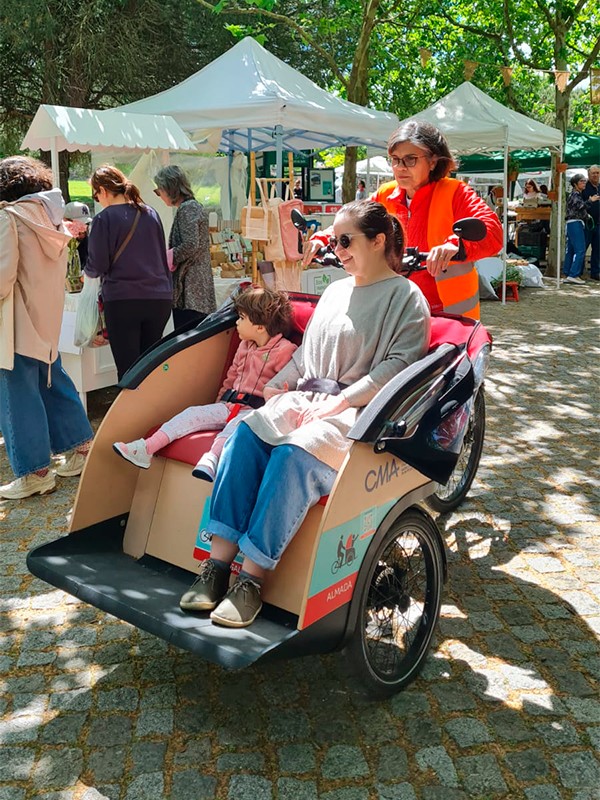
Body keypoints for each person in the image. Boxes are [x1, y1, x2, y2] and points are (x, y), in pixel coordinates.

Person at [179, 200, 431, 628]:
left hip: (360, 412)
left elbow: (399, 365)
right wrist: (284, 381)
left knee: (293, 455)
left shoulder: (406, 297)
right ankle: (218, 566)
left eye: (346, 240)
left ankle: (251, 581)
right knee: (245, 437)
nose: (339, 249)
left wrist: (345, 399)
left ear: (378, 240)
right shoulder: (335, 290)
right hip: (307, 398)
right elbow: (308, 357)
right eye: (335, 241)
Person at [305, 121, 503, 320]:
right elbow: (354, 221)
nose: (400, 168)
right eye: (395, 160)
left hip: (447, 315)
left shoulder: (455, 192)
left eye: (410, 159)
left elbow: (493, 232)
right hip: (395, 305)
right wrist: (323, 239)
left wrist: (454, 245)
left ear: (433, 161)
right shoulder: (386, 194)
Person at [112, 287, 297, 482]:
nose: (236, 323)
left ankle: (212, 459)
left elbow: (286, 389)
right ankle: (146, 448)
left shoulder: (284, 351)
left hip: (255, 412)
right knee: (191, 413)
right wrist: (220, 402)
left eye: (242, 318)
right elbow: (231, 376)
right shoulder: (245, 345)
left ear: (260, 327)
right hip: (229, 405)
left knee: (234, 428)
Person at [0, 156, 93, 500]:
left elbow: (2, 278)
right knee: (53, 382)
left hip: (16, 323)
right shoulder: (51, 216)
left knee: (16, 396)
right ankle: (80, 450)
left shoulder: (10, 217)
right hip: (46, 316)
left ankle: (35, 471)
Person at [85, 165, 173, 381]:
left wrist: (85, 273)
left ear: (103, 191)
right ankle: (153, 412)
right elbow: (161, 256)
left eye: (96, 195)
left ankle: (132, 414)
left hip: (124, 298)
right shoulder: (150, 213)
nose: (98, 200)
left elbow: (98, 265)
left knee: (128, 370)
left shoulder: (103, 219)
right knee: (149, 366)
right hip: (159, 298)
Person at [153, 165, 216, 329]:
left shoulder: (188, 208)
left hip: (191, 290)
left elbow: (190, 244)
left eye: (159, 191)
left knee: (188, 340)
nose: (159, 196)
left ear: (170, 188)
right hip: (195, 289)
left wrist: (167, 258)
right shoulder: (191, 207)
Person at [563, 173, 594, 285]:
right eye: (581, 181)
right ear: (575, 184)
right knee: (580, 250)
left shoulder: (575, 195)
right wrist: (590, 201)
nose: (584, 183)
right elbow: (580, 206)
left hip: (572, 223)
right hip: (575, 223)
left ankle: (567, 272)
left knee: (570, 250)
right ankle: (573, 274)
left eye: (584, 181)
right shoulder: (575, 195)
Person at [581, 165, 599, 281]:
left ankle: (595, 272)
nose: (595, 175)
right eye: (593, 173)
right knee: (582, 248)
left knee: (598, 249)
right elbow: (579, 205)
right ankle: (578, 272)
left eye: (597, 173)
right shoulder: (584, 188)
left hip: (599, 223)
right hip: (587, 223)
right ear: (588, 174)